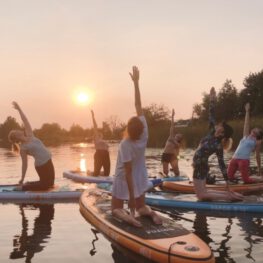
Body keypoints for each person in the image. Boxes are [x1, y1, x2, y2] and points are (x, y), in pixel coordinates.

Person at [112, 66, 162, 227]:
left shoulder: (125, 144)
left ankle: (129, 219)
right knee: (141, 207)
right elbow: (138, 104)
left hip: (124, 177)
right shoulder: (145, 132)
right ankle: (151, 213)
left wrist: (131, 198)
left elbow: (127, 172)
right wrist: (136, 83)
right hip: (141, 175)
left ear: (127, 129)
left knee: (116, 209)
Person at [192, 88, 243, 201]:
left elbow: (222, 165)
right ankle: (229, 195)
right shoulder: (212, 132)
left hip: (200, 168)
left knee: (201, 195)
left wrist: (227, 182)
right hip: (200, 167)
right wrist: (212, 99)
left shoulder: (218, 145)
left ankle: (229, 196)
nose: (218, 125)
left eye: (221, 125)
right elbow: (211, 113)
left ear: (222, 132)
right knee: (203, 193)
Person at [8, 102, 55, 191]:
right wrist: (22, 178)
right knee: (45, 186)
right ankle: (23, 187)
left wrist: (19, 109)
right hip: (41, 165)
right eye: (16, 132)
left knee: (50, 184)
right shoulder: (23, 149)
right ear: (16, 137)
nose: (18, 131)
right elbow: (24, 165)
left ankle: (29, 183)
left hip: (49, 160)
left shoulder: (30, 134)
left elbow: (25, 120)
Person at [228, 102, 263, 183]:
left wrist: (259, 169)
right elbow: (246, 124)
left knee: (246, 180)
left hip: (243, 161)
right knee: (229, 177)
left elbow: (257, 156)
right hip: (234, 159)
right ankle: (240, 176)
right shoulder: (246, 136)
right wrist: (247, 111)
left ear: (259, 134)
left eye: (258, 129)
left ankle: (260, 179)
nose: (255, 128)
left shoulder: (257, 141)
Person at [161, 109, 183, 177]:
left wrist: (177, 161)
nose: (178, 136)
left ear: (179, 139)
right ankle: (166, 175)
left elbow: (178, 153)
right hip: (165, 155)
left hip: (172, 156)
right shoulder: (171, 137)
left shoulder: (178, 145)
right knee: (165, 171)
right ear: (175, 135)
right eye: (177, 135)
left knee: (176, 172)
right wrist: (172, 117)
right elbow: (172, 127)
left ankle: (177, 174)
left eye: (179, 136)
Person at [90, 109, 110, 176]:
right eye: (98, 134)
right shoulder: (97, 139)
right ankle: (92, 173)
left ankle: (100, 173)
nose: (100, 134)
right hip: (99, 155)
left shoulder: (104, 141)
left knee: (107, 173)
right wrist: (93, 117)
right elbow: (95, 126)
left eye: (101, 134)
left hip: (106, 155)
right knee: (96, 174)